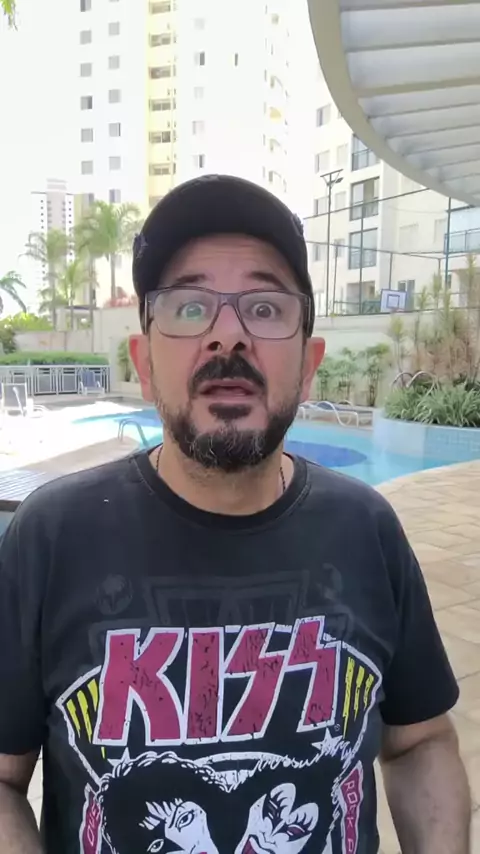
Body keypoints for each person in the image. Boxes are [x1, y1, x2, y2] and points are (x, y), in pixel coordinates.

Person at [0, 174, 470, 854]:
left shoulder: (367, 529)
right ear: (144, 363)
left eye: (265, 307)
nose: (228, 336)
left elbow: (420, 741)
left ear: (308, 366)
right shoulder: (51, 538)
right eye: (190, 307)